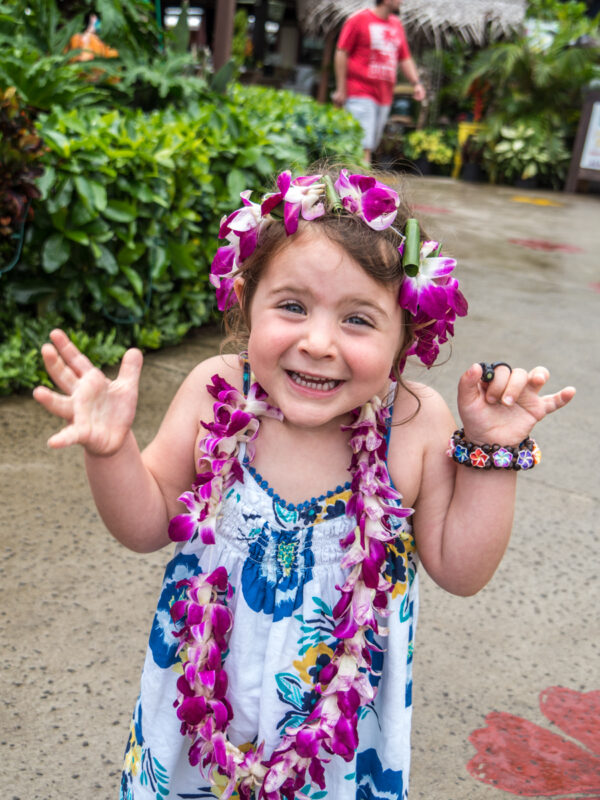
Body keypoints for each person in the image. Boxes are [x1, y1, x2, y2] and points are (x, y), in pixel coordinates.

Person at [33, 166, 575, 800]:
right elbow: (147, 523)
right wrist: (111, 450)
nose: (318, 342)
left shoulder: (417, 424)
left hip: (337, 745)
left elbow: (462, 568)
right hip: (200, 716)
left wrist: (490, 451)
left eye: (358, 320)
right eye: (292, 306)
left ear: (407, 333)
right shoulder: (215, 393)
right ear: (245, 301)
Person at [332, 0, 426, 164]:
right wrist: (341, 89)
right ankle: (360, 186)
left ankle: (352, 178)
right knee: (364, 145)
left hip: (384, 96)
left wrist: (416, 83)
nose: (401, 1)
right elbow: (342, 52)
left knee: (370, 144)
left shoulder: (396, 24)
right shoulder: (359, 19)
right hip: (359, 91)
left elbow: (405, 58)